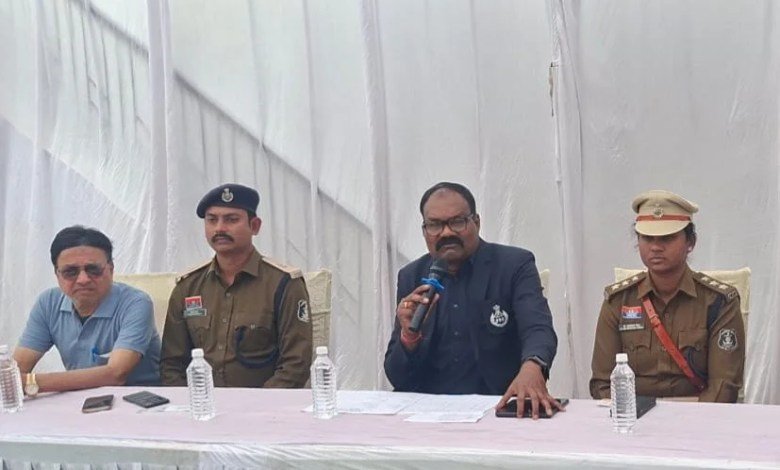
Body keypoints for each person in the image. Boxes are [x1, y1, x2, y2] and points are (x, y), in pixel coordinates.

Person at [384, 182, 561, 418]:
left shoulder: (513, 266)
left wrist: (533, 366)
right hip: (428, 414)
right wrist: (408, 337)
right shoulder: (412, 276)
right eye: (435, 225)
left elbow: (538, 328)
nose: (446, 233)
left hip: (497, 407)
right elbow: (396, 376)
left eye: (457, 222)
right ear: (424, 231)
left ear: (476, 222)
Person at [590, 190, 745, 403]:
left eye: (667, 238)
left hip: (698, 416)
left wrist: (684, 420)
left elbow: (724, 387)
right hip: (633, 416)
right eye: (647, 238)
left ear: (691, 242)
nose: (655, 247)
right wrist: (633, 416)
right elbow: (602, 384)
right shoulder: (618, 301)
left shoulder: (719, 302)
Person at [160, 183, 312, 388]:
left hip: (265, 403)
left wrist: (253, 405)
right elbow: (171, 364)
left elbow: (296, 365)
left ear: (254, 226)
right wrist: (191, 403)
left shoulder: (283, 284)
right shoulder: (188, 287)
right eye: (212, 220)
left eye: (231, 220)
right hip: (199, 404)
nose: (219, 228)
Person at [14, 226, 161, 396]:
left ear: (111, 269)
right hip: (76, 399)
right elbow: (16, 370)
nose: (83, 279)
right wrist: (19, 380)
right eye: (70, 272)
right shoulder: (48, 303)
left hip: (138, 400)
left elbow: (116, 374)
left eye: (93, 270)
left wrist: (31, 382)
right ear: (57, 274)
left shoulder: (135, 303)